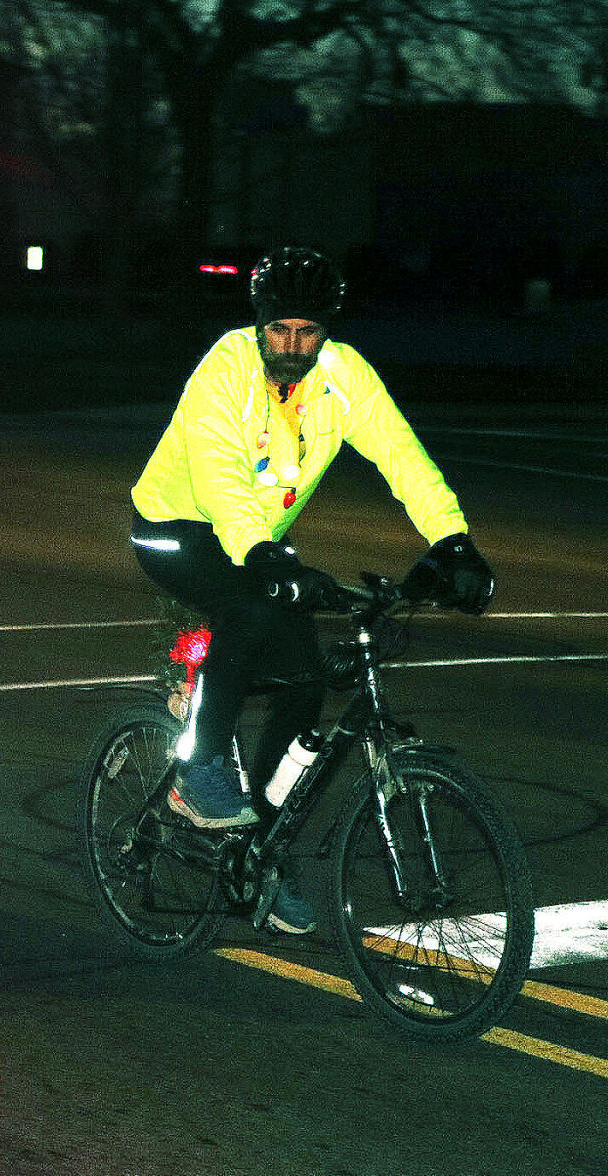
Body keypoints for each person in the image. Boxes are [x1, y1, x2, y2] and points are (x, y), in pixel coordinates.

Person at [129, 246, 494, 933]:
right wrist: (265, 555)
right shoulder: (225, 369)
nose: (292, 347)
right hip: (176, 528)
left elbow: (402, 456)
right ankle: (198, 769)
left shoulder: (343, 376)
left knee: (303, 682)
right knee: (247, 607)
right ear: (258, 323)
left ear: (327, 330)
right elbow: (221, 475)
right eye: (279, 331)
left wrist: (452, 541)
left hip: (256, 540)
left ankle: (257, 847)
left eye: (308, 332)